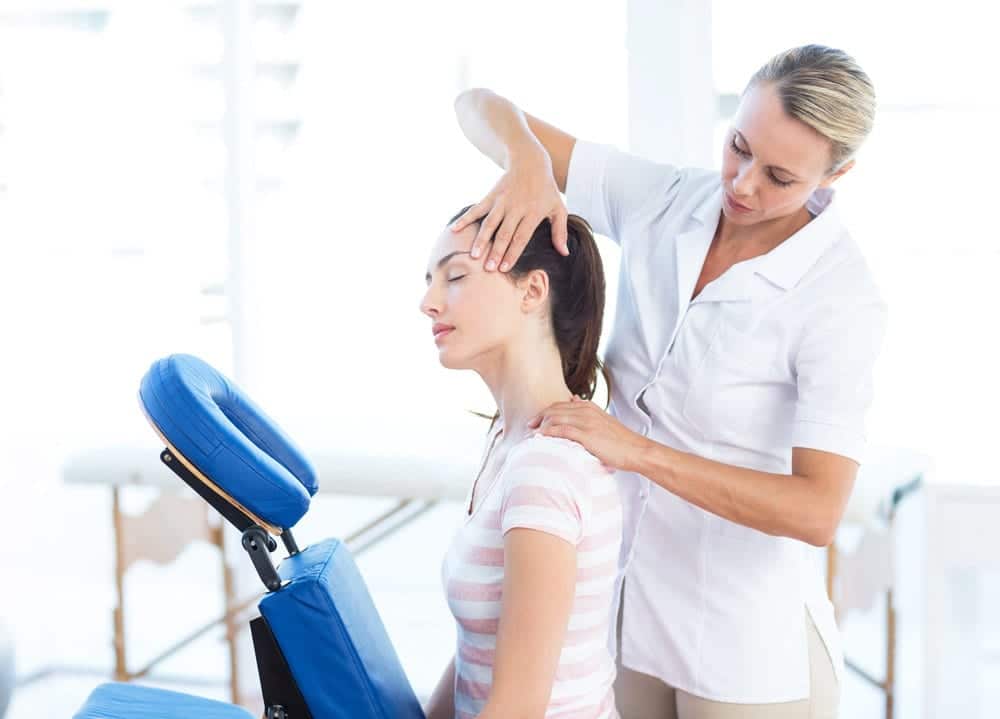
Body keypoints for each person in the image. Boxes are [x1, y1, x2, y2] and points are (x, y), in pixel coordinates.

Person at [450, 44, 886, 718]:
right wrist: (529, 160)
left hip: (746, 653)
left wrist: (635, 451)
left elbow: (817, 510)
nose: (742, 185)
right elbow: (475, 107)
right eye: (738, 145)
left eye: (778, 176)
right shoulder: (668, 200)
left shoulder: (840, 297)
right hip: (627, 619)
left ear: (837, 174)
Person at [421, 207, 625, 719]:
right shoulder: (506, 439)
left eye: (456, 277)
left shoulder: (546, 468)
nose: (428, 302)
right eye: (430, 281)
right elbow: (479, 652)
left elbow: (517, 708)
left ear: (532, 292)